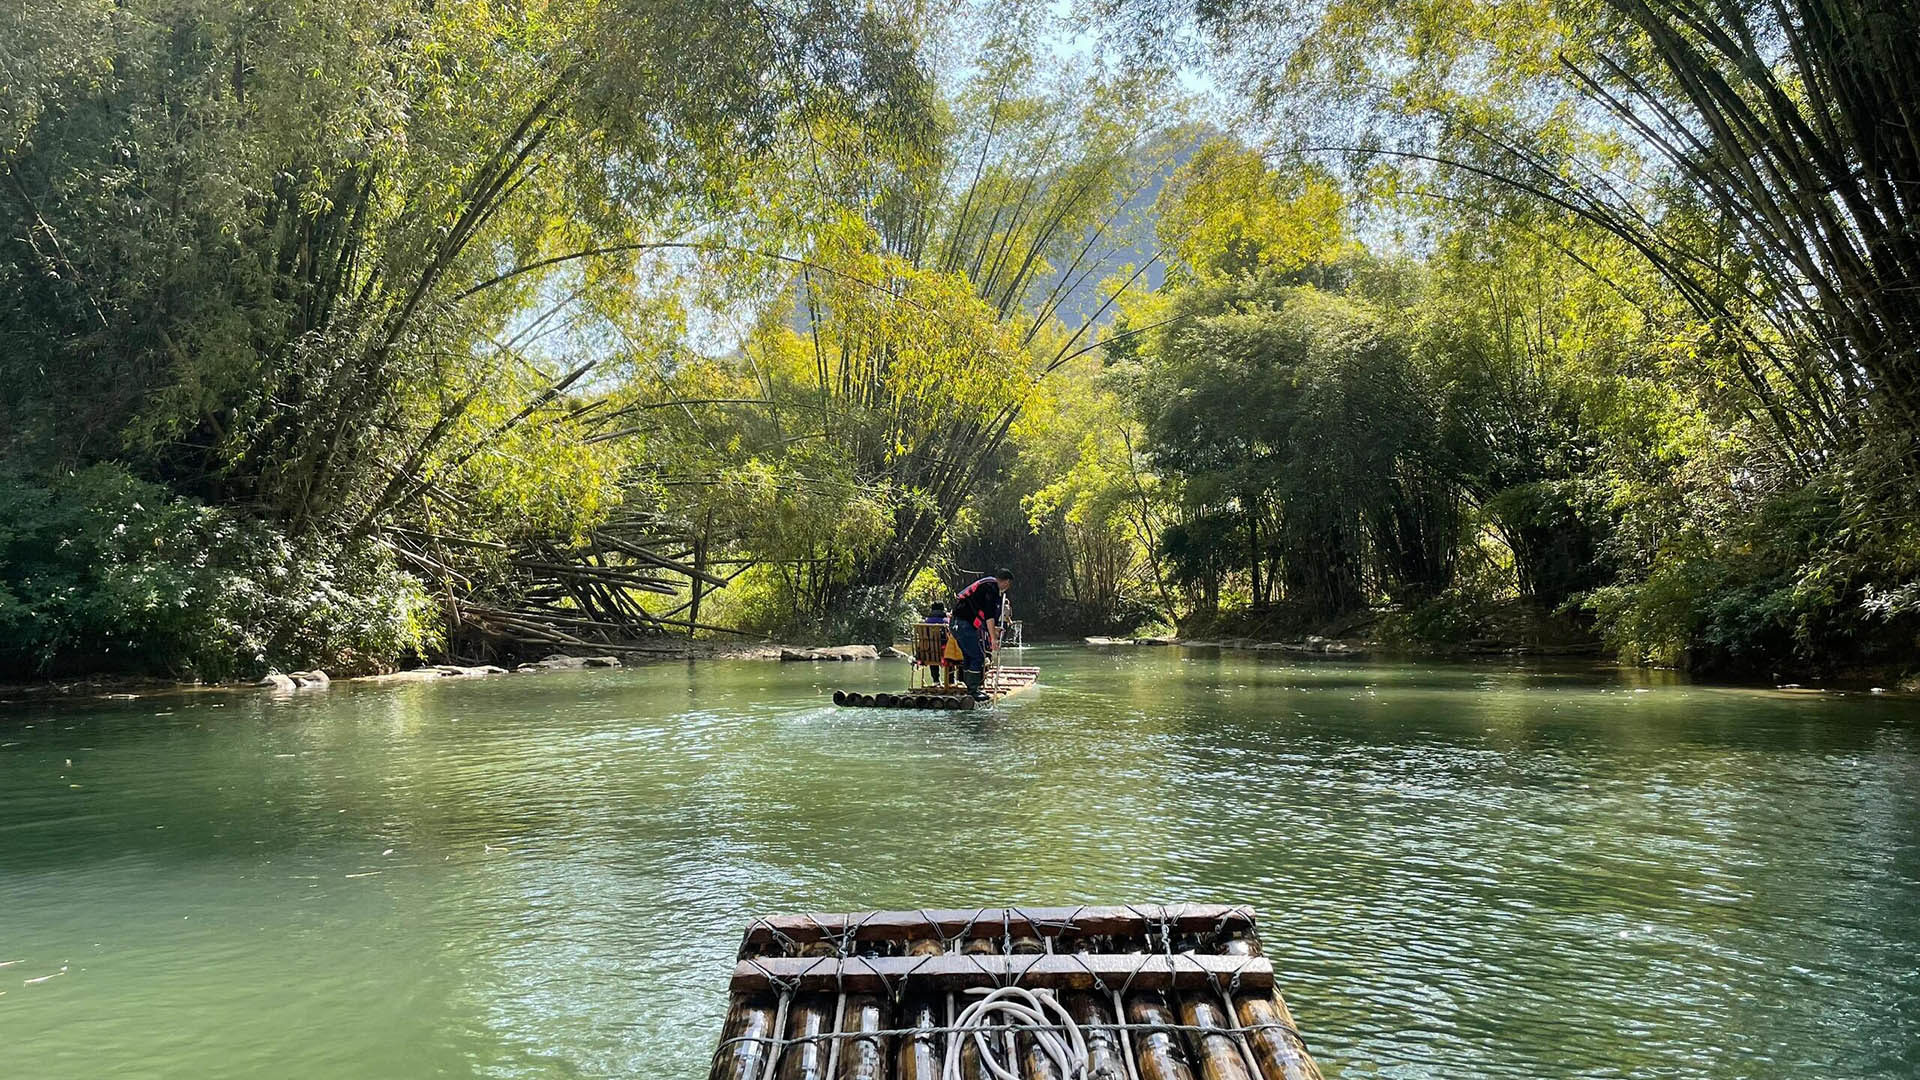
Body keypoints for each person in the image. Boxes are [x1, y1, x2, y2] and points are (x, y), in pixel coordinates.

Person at [948, 568, 1013, 701]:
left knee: (969, 656)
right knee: (978, 657)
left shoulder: (985, 586)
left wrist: (993, 630)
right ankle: (973, 691)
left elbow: (983, 616)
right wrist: (994, 639)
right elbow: (989, 616)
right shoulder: (992, 589)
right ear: (1006, 582)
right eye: (1009, 584)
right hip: (964, 625)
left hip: (955, 623)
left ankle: (970, 688)